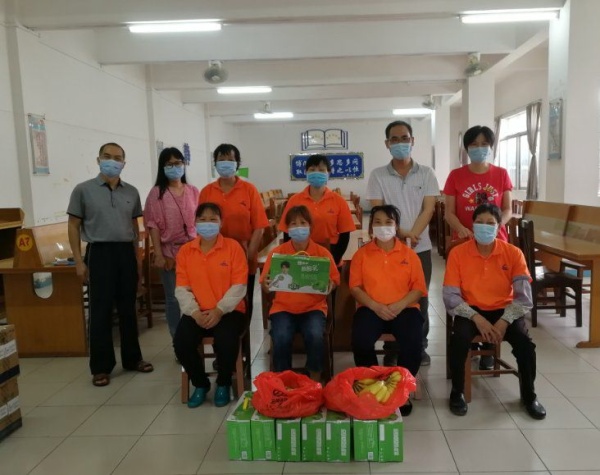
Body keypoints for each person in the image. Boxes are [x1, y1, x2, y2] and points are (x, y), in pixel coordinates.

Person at [443, 203, 546, 420]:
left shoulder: (513, 253)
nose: (484, 227)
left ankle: (530, 396)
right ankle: (457, 392)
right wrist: (477, 318)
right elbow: (450, 296)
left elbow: (524, 298)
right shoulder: (458, 253)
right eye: (479, 222)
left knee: (525, 344)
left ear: (499, 227)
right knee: (459, 340)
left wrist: (504, 321)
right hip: (470, 310)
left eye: (490, 223)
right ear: (472, 225)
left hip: (504, 310)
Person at [67, 142, 153, 387]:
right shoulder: (83, 190)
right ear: (98, 160)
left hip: (125, 252)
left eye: (117, 158)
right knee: (100, 310)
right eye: (107, 156)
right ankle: (101, 367)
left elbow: (134, 228)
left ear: (124, 163)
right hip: (99, 252)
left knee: (128, 308)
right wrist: (78, 261)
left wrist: (137, 259)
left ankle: (133, 358)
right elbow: (73, 225)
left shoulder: (131, 192)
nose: (112, 162)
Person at [366, 120, 440, 366]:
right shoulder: (377, 175)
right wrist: (404, 234)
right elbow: (378, 211)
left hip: (420, 247)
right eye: (395, 139)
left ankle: (419, 346)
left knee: (420, 297)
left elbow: (428, 209)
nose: (400, 143)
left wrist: (413, 236)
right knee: (390, 295)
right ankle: (392, 347)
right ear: (387, 144)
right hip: (387, 247)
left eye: (405, 138)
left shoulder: (427, 173)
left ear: (412, 141)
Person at [350, 205, 426, 416]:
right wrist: (376, 306)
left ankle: (400, 390)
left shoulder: (409, 255)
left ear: (396, 226)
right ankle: (374, 386)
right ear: (370, 227)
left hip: (404, 308)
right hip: (371, 308)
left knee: (413, 341)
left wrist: (399, 305)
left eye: (388, 222)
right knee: (360, 340)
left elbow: (418, 289)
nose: (383, 227)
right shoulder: (361, 255)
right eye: (377, 222)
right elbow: (355, 288)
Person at [173, 202, 248, 408]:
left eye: (213, 219)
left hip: (229, 311)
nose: (208, 224)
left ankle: (223, 383)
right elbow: (182, 288)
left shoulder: (233, 248)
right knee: (181, 343)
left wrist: (219, 310)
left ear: (221, 223)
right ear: (195, 222)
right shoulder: (186, 251)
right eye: (202, 219)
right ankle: (200, 384)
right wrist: (195, 312)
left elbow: (239, 286)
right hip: (196, 312)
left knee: (226, 340)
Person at [260, 205, 340, 382]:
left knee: (315, 335)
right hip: (283, 308)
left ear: (310, 226)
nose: (298, 228)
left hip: (314, 308)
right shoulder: (277, 254)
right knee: (281, 336)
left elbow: (335, 280)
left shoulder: (322, 253)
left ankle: (314, 377)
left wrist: (330, 285)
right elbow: (265, 284)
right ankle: (283, 379)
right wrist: (266, 285)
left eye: (303, 223)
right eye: (293, 224)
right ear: (287, 228)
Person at [199, 144, 268, 318]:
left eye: (230, 159)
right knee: (217, 301)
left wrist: (249, 255)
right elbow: (200, 224)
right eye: (221, 159)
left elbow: (259, 225)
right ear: (215, 163)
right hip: (215, 256)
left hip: (244, 254)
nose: (226, 163)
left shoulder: (249, 190)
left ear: (237, 163)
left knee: (243, 303)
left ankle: (243, 335)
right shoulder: (207, 192)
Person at [144, 147, 199, 341]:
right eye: (169, 164)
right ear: (162, 167)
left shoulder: (193, 191)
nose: (174, 167)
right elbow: (152, 225)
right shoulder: (156, 194)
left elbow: (200, 221)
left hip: (193, 250)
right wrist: (159, 254)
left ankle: (196, 336)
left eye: (178, 163)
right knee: (174, 298)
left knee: (196, 295)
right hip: (169, 252)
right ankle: (178, 339)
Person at [279, 154, 356, 264]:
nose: (316, 173)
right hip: (300, 255)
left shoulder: (339, 201)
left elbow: (345, 235)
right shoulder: (294, 200)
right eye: (312, 169)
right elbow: (287, 232)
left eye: (321, 170)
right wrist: (292, 258)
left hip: (331, 252)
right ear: (306, 172)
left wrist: (334, 259)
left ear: (328, 173)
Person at [443, 125, 513, 242]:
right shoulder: (455, 175)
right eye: (474, 144)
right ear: (467, 148)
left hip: (496, 238)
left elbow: (508, 209)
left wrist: (496, 226)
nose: (479, 148)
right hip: (465, 238)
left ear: (490, 147)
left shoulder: (502, 174)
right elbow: (449, 213)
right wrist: (461, 229)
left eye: (484, 144)